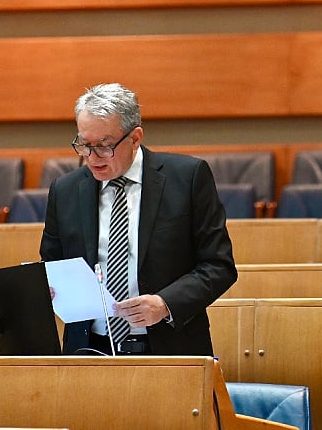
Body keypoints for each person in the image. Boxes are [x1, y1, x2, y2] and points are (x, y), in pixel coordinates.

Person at [40, 83, 237, 356]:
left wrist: (165, 303)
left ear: (135, 138)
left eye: (104, 146)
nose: (92, 158)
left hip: (169, 347)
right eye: (84, 145)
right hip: (88, 350)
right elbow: (51, 265)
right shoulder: (65, 190)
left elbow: (219, 265)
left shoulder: (188, 178)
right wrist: (47, 289)